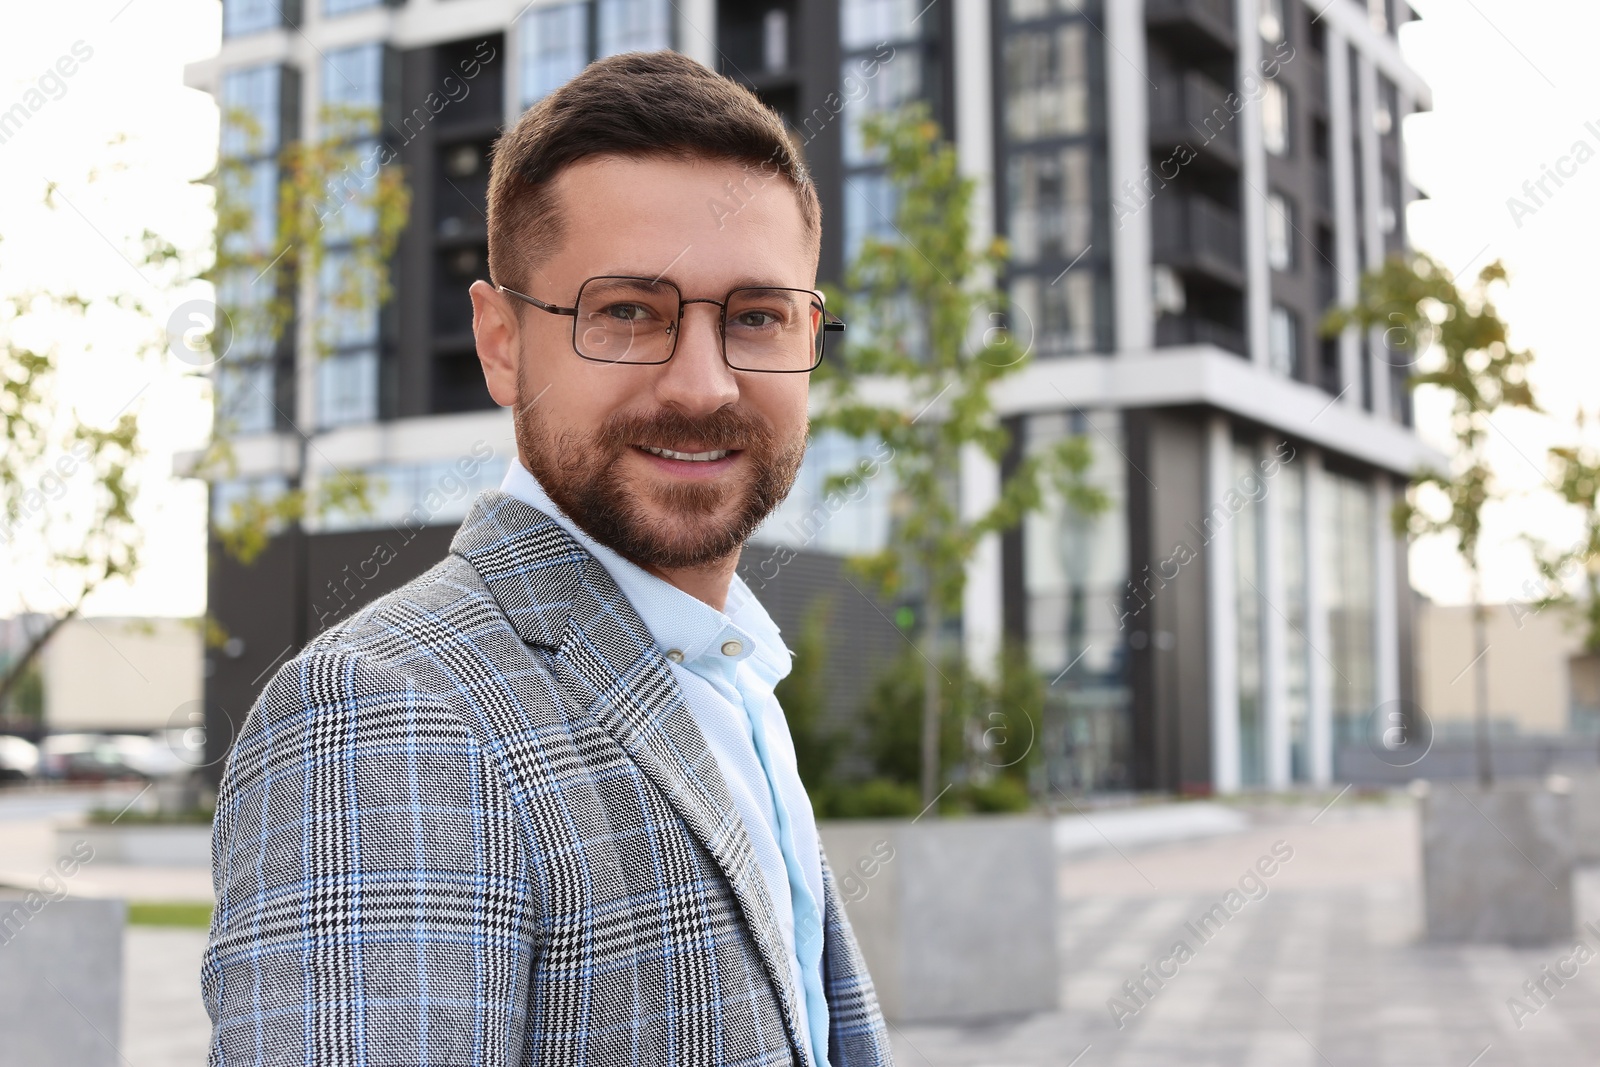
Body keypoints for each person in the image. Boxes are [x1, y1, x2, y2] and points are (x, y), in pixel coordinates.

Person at [201, 49, 894, 1067]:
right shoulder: (387, 713)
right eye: (626, 312)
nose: (702, 386)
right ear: (500, 342)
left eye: (755, 316)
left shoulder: (728, 669)